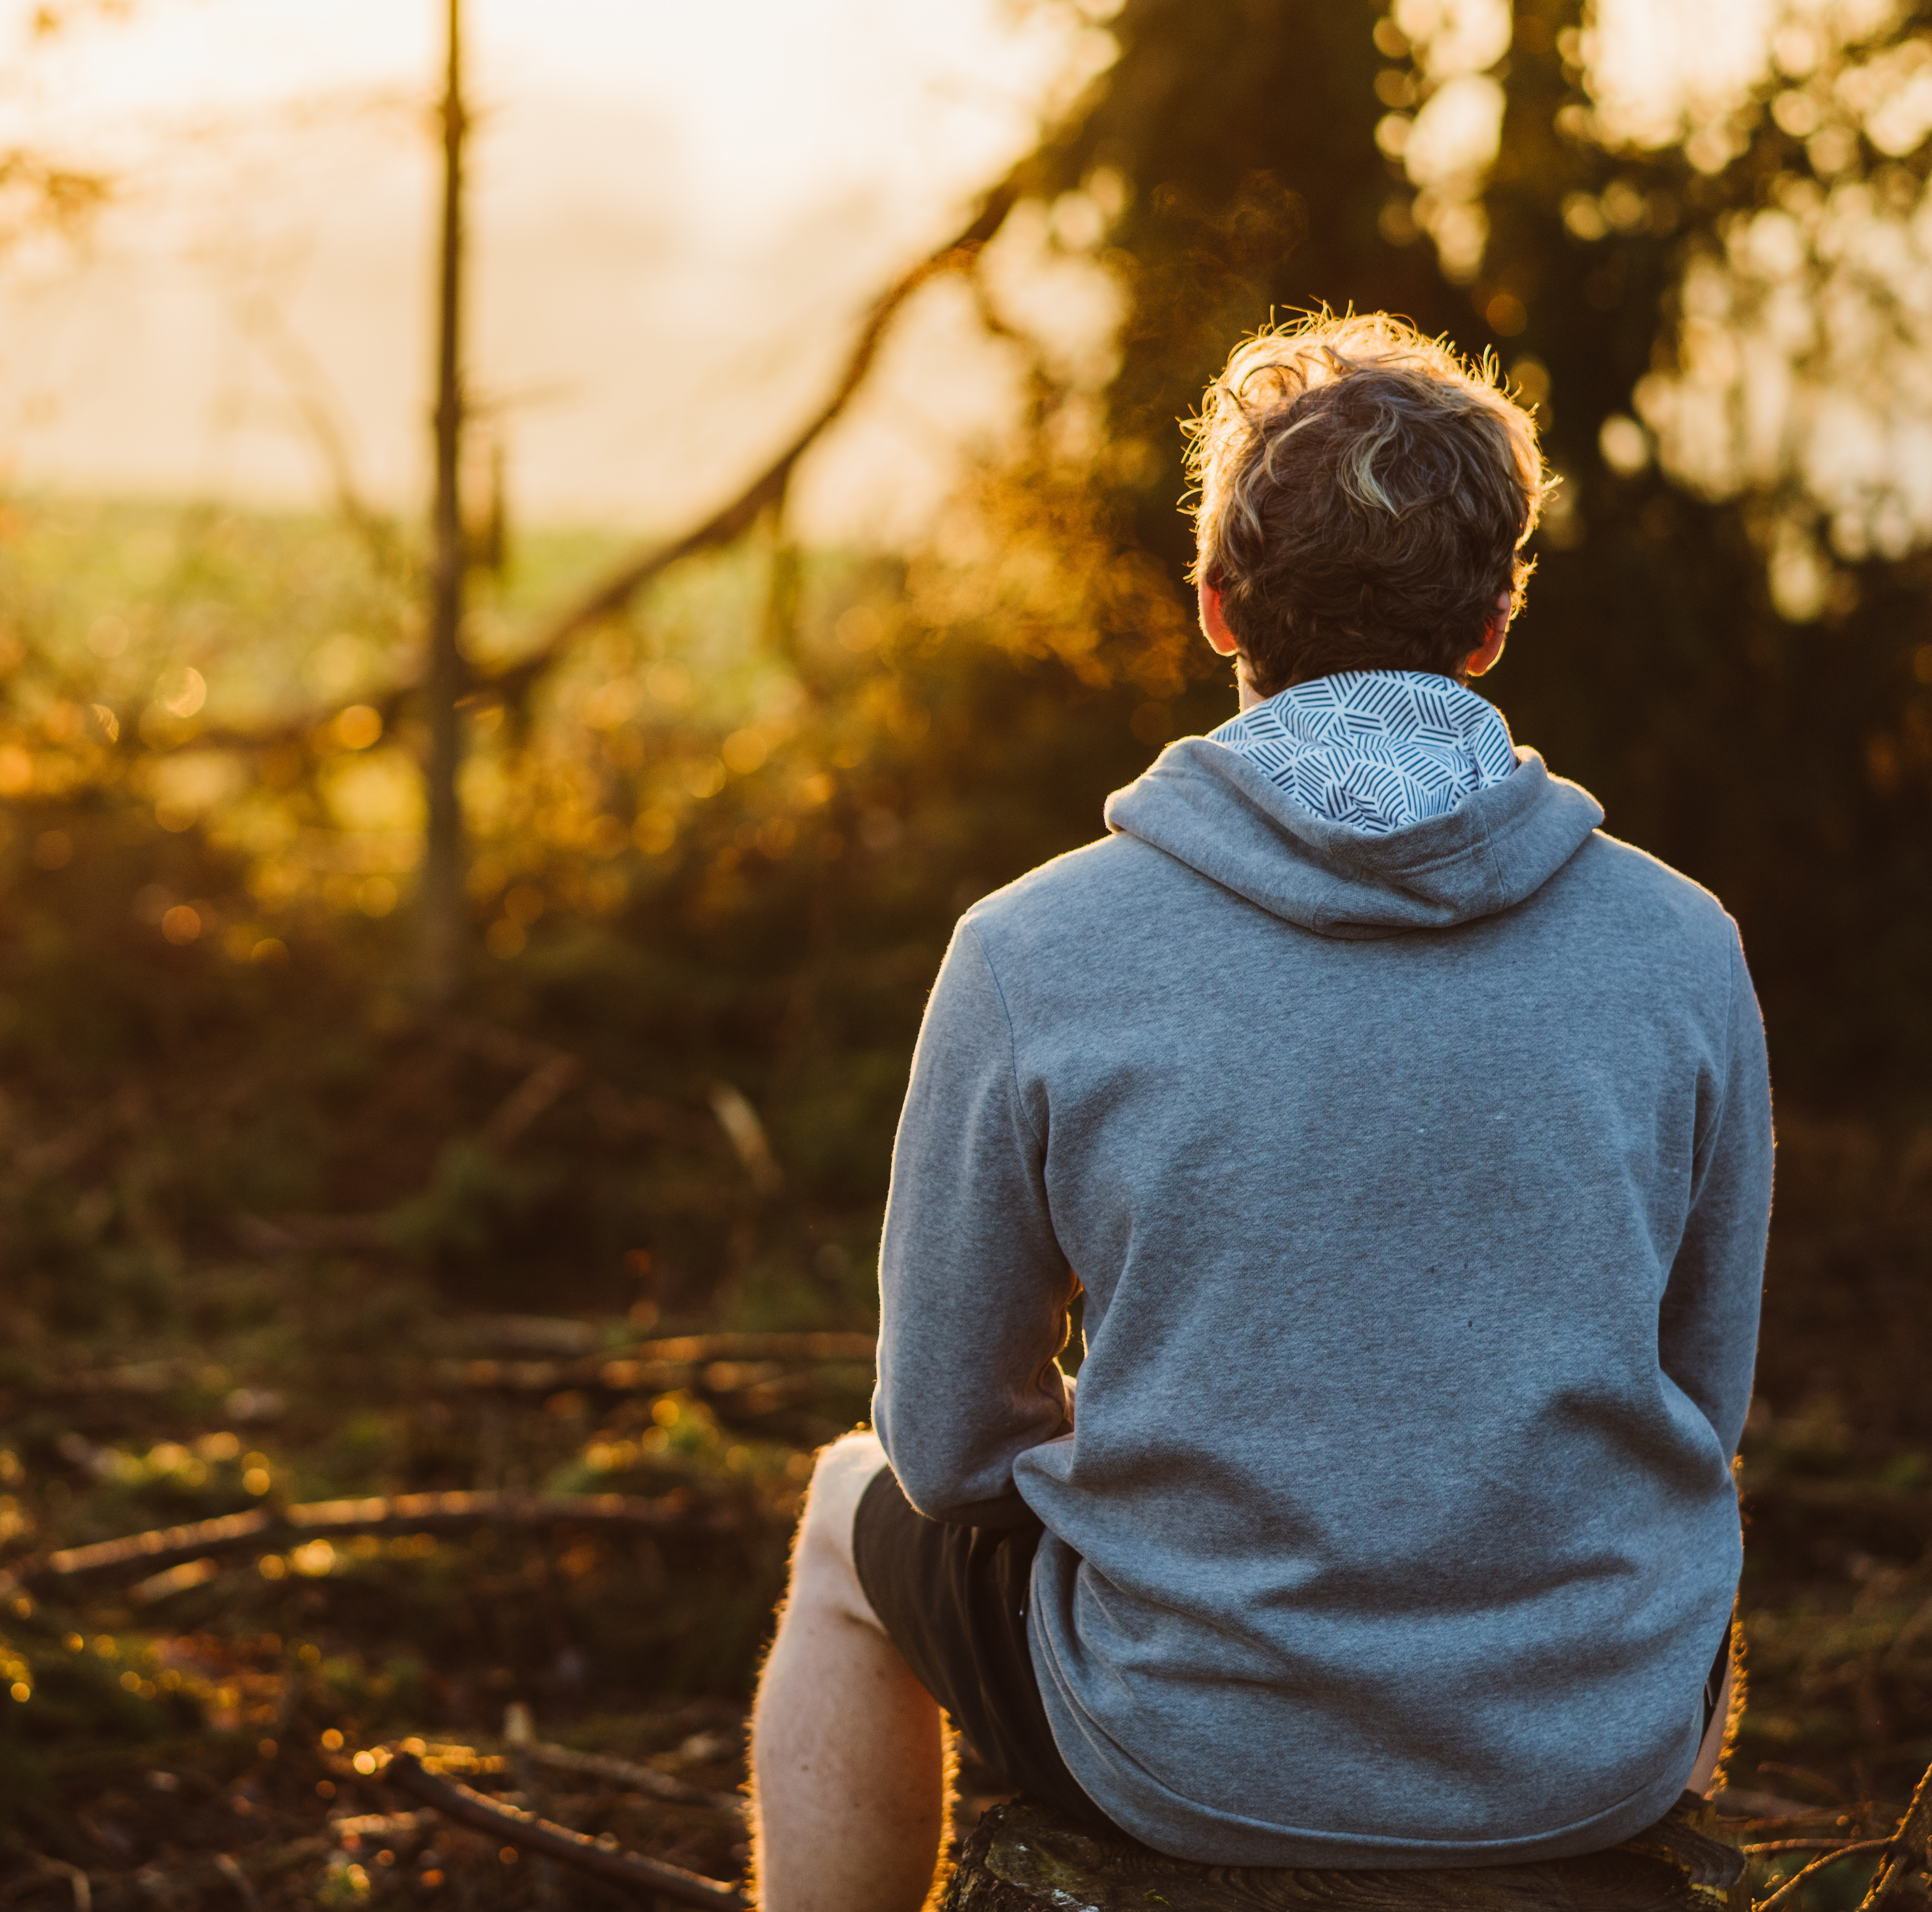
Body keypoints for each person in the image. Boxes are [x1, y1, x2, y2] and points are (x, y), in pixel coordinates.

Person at [743, 312, 1772, 1912]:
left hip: (1190, 1748)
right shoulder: (1683, 945)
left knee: (841, 1508)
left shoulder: (1033, 948)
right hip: (1596, 1751)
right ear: (1495, 621)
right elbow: (1700, 1413)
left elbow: (943, 1446)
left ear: (1217, 602)